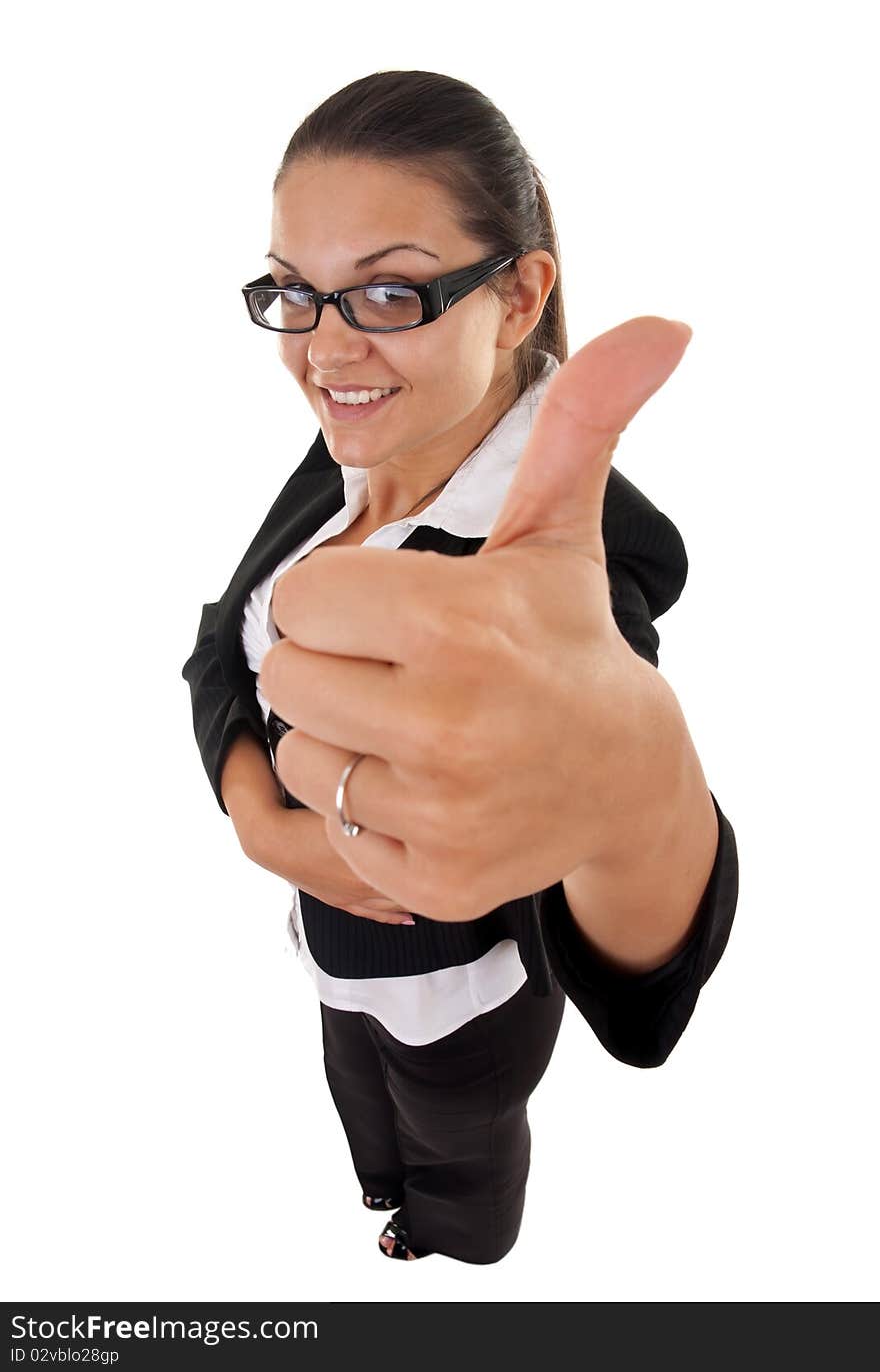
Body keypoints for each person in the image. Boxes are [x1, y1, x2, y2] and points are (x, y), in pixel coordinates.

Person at [180, 70, 739, 1266]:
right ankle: (390, 1204)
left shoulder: (570, 564)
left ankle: (458, 1244)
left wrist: (640, 794)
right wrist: (256, 819)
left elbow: (643, 986)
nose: (323, 349)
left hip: (469, 991)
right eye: (294, 292)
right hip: (332, 940)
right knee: (361, 1097)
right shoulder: (347, 452)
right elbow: (217, 637)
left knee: (459, 1141)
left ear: (521, 292)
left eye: (388, 290)